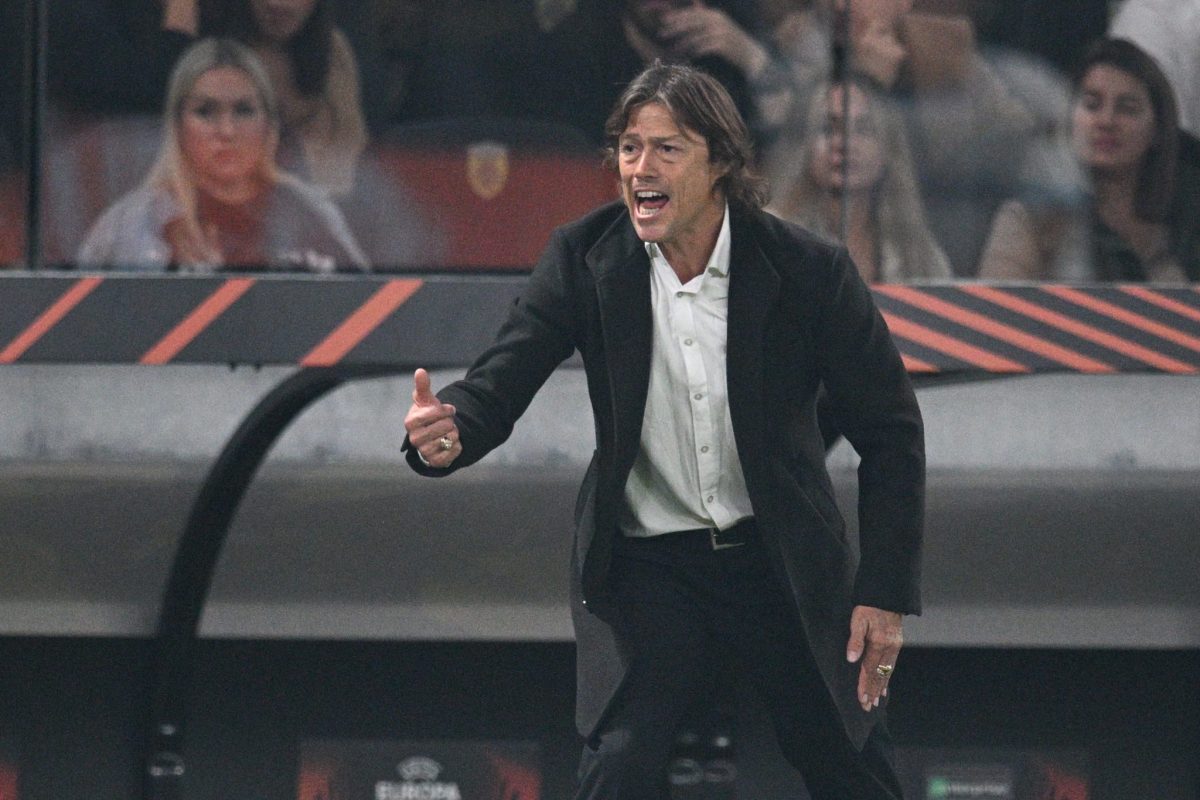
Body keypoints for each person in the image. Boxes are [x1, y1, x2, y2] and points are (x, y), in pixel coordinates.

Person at [402, 62, 924, 799]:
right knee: (618, 765)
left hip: (779, 556)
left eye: (667, 149)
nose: (640, 167)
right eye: (629, 147)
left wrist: (884, 593)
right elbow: (501, 379)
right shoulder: (583, 258)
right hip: (650, 565)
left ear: (721, 163)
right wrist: (451, 428)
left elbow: (890, 431)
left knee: (850, 764)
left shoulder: (809, 271)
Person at [76, 37, 367, 272]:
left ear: (269, 123)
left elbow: (363, 307)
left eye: (244, 110)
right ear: (177, 125)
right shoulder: (132, 224)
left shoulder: (310, 212)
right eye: (205, 111)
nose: (226, 131)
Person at [978, 38, 1198, 282]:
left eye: (1127, 108)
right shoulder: (1031, 215)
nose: (1106, 121)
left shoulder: (1187, 219)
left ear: (1157, 129)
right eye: (1092, 105)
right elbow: (995, 302)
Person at [767, 76, 952, 282]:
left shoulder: (916, 250)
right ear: (803, 144)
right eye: (828, 129)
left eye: (863, 129)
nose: (845, 144)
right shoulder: (770, 236)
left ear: (888, 148)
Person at [201, 0, 368, 196]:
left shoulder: (334, 52)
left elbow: (353, 142)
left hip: (330, 202)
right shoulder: (213, 56)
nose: (278, 4)